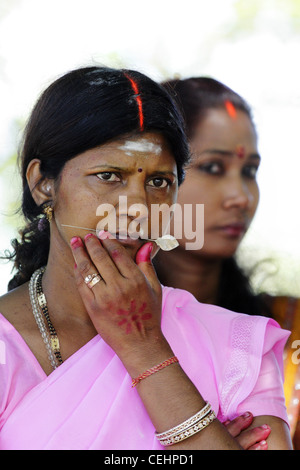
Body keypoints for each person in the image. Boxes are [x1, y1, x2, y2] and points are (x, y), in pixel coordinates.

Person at [0, 66, 292, 450]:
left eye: (159, 182)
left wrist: (145, 349)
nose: (138, 207)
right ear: (42, 183)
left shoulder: (238, 346)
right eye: (109, 176)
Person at [154, 76, 300, 446]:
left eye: (249, 171)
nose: (241, 197)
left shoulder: (286, 333)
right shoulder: (98, 325)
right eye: (214, 168)